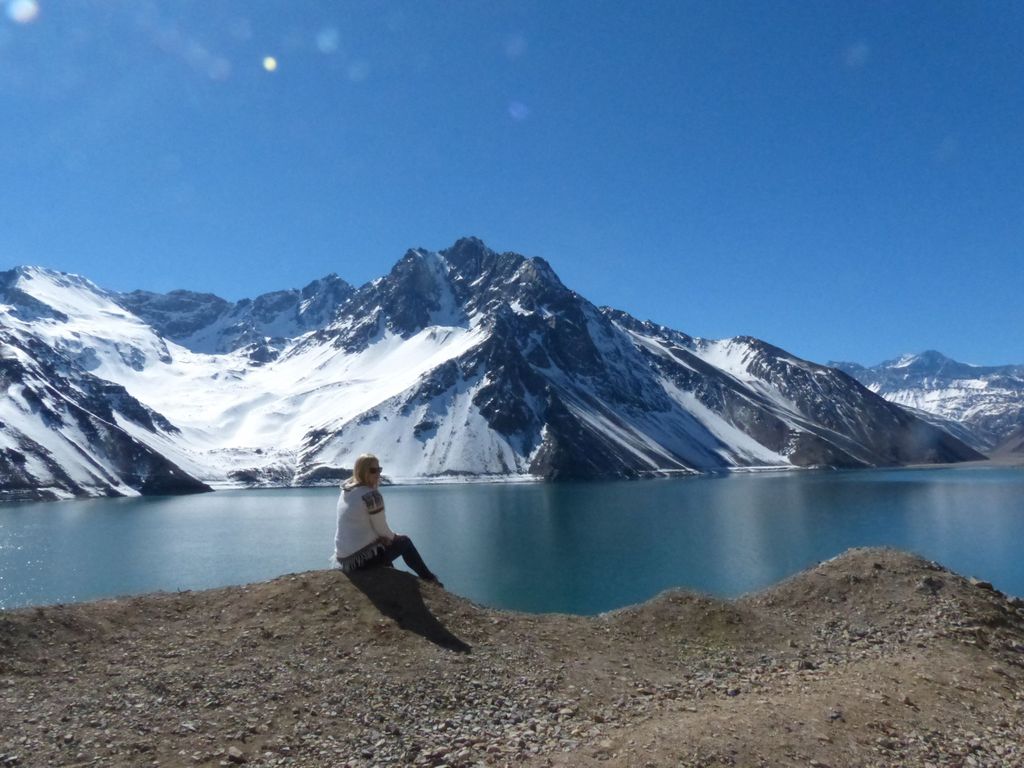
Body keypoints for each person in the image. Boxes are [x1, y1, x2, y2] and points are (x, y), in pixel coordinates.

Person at [333, 453, 443, 586]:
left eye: (379, 470)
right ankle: (430, 579)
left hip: (343, 558)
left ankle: (390, 575)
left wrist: (382, 539)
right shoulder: (371, 495)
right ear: (362, 471)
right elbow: (382, 529)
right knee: (405, 542)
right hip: (360, 561)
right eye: (373, 470)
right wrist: (394, 537)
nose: (378, 474)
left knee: (383, 544)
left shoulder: (346, 490)